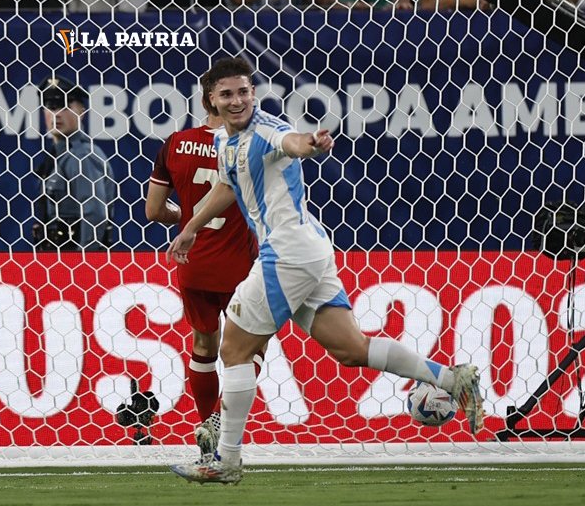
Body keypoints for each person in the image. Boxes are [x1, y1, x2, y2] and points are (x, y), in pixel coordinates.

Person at [168, 57, 484, 484]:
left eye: (244, 91)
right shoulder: (227, 144)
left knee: (234, 350)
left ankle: (225, 460)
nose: (238, 100)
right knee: (350, 348)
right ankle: (453, 378)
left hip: (287, 254)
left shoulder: (266, 130)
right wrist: (190, 227)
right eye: (227, 93)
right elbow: (228, 185)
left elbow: (292, 142)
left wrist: (311, 144)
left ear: (253, 93)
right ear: (211, 100)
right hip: (311, 250)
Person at [145, 74, 258, 462]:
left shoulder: (175, 144)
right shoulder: (249, 142)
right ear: (216, 99)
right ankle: (227, 429)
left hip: (192, 261)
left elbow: (153, 211)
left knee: (203, 343)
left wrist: (185, 217)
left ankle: (207, 423)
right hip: (245, 264)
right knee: (250, 347)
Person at [33, 75, 116, 251]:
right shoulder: (57, 155)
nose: (57, 114)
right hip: (58, 257)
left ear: (81, 112)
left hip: (75, 261)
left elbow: (95, 214)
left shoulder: (82, 155)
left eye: (66, 107)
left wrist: (84, 263)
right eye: (51, 107)